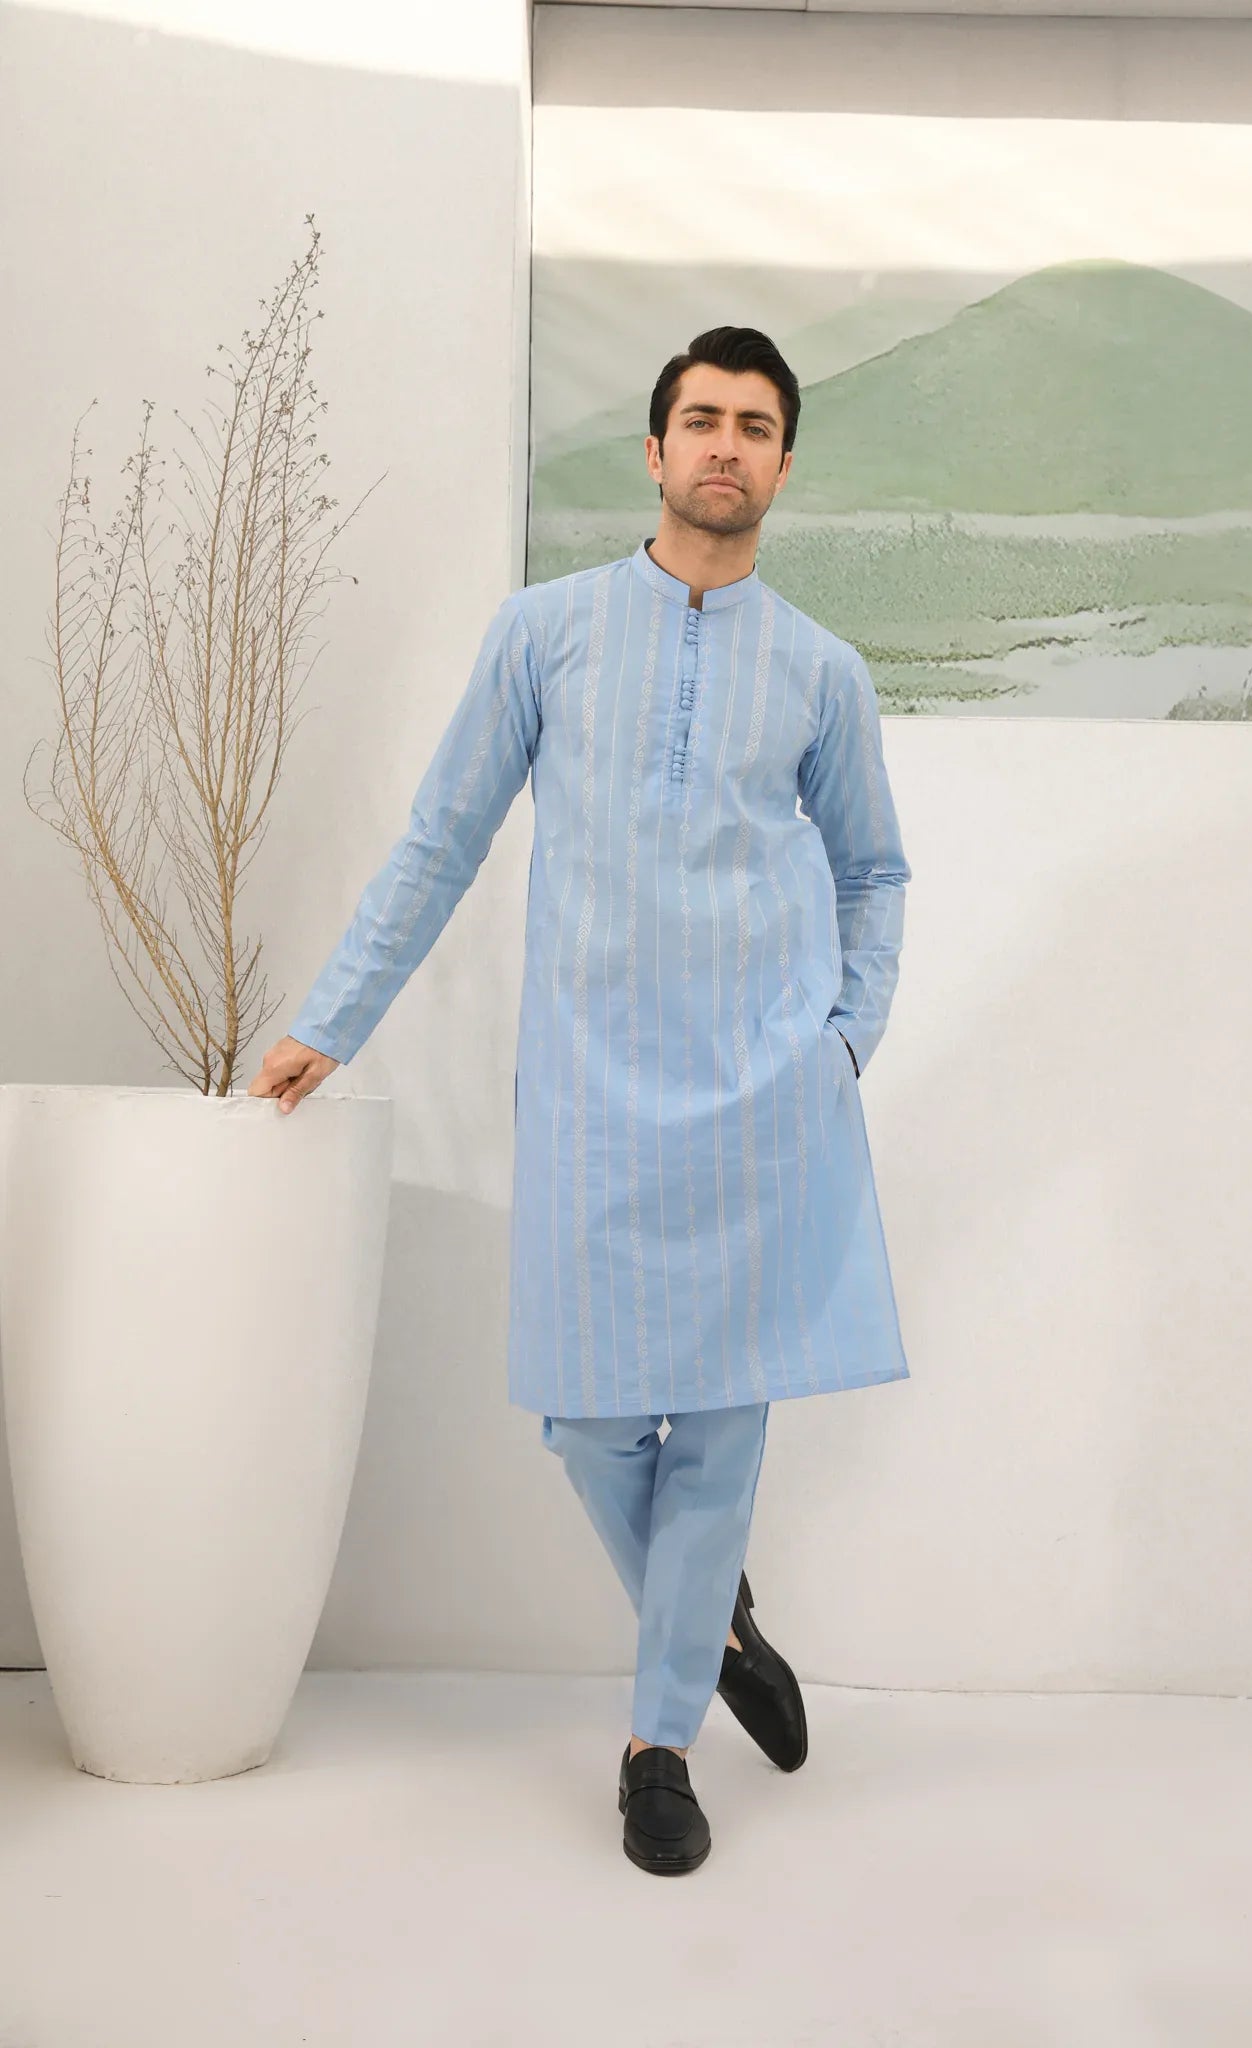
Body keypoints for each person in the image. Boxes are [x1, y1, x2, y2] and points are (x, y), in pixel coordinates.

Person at [247, 326, 911, 1876]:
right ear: (656, 451)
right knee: (591, 1422)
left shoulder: (821, 670)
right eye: (700, 420)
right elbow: (440, 842)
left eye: (754, 426)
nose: (724, 446)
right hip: (594, 1098)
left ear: (784, 464)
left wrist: (841, 1042)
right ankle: (716, 1609)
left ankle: (656, 1742)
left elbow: (875, 871)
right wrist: (330, 1023)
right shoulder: (542, 635)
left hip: (760, 1103)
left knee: (725, 1428)